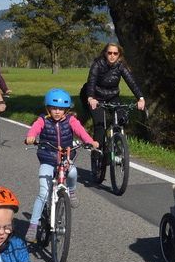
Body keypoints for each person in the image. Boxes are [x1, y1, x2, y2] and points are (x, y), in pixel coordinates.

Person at [23, 89, 98, 240]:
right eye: (54, 108)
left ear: (66, 109)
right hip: (47, 158)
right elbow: (34, 129)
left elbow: (81, 131)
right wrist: (31, 137)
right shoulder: (43, 120)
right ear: (48, 108)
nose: (57, 112)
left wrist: (90, 141)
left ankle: (71, 191)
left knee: (73, 172)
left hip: (65, 157)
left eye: (61, 109)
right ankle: (33, 225)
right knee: (43, 193)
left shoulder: (71, 120)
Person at [84, 43, 145, 172]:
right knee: (100, 127)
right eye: (109, 53)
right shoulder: (97, 64)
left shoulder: (120, 66)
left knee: (122, 118)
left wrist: (140, 98)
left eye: (115, 53)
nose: (112, 56)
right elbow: (91, 82)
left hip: (113, 97)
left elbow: (131, 82)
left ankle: (117, 143)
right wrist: (90, 98)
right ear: (105, 53)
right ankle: (96, 157)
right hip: (96, 98)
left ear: (119, 55)